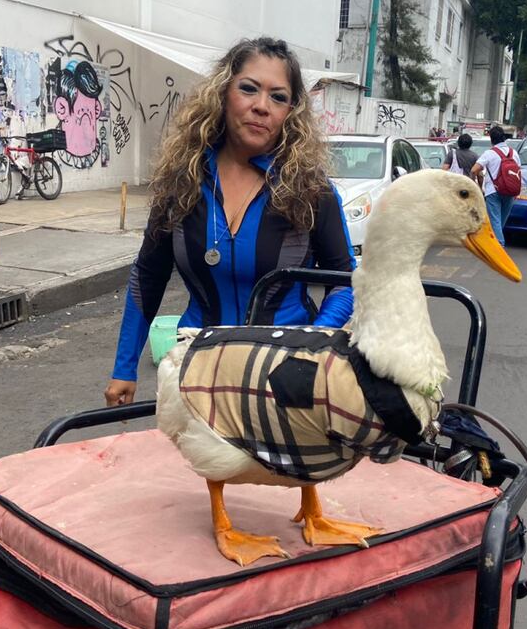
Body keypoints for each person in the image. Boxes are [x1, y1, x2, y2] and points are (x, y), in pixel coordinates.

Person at [103, 37, 356, 407]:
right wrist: (124, 368)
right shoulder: (181, 180)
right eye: (249, 88)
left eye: (278, 97)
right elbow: (147, 276)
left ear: (291, 111)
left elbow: (345, 281)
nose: (261, 106)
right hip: (198, 374)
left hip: (285, 377)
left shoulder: (311, 189)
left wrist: (311, 344)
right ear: (223, 93)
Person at [471, 126, 520, 247]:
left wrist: (478, 181)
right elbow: (518, 172)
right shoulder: (514, 153)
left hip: (493, 191)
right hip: (511, 190)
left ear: (491, 139)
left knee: (495, 220)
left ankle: (499, 245)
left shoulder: (489, 153)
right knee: (500, 221)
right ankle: (496, 241)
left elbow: (474, 170)